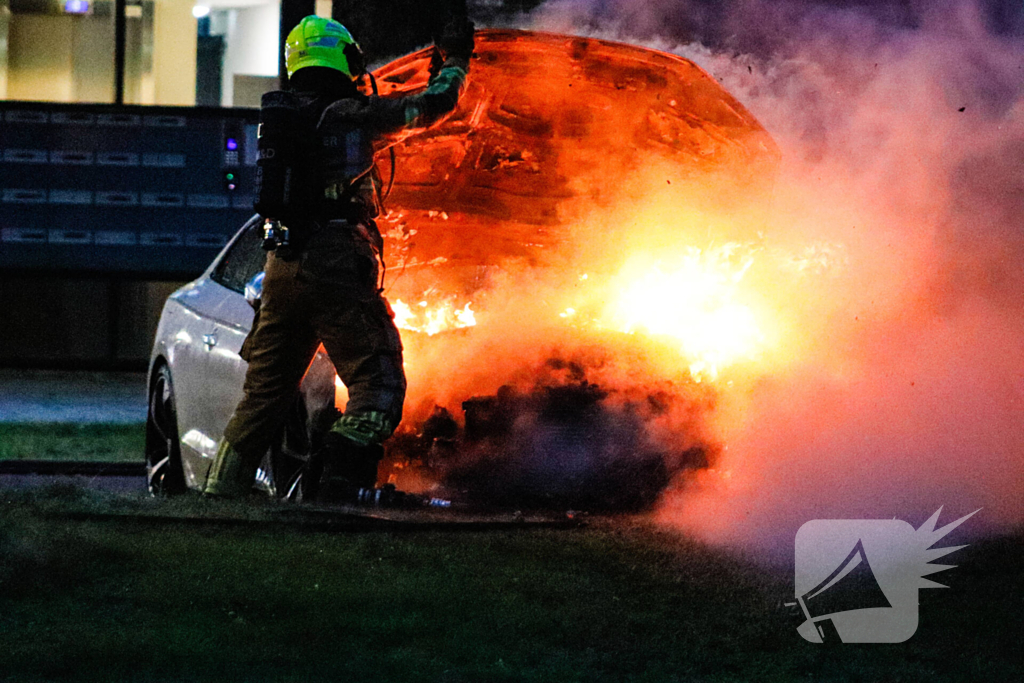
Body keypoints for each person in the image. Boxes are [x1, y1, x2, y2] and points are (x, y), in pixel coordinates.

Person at [204, 14, 475, 500]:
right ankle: (336, 486)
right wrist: (455, 59)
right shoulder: (347, 114)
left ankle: (218, 500)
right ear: (342, 58)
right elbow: (434, 107)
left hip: (281, 267)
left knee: (261, 402)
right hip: (334, 266)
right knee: (378, 386)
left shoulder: (285, 116)